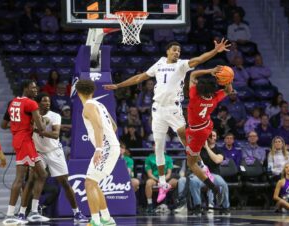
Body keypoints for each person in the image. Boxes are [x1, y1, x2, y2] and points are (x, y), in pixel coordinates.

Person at [104, 39, 230, 202]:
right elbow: (139, 78)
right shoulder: (159, 63)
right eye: (174, 50)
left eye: (179, 50)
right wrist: (119, 85)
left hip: (173, 108)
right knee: (159, 147)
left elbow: (199, 59)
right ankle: (163, 183)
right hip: (158, 110)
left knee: (186, 138)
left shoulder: (182, 65)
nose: (177, 52)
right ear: (167, 52)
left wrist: (215, 51)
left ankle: (203, 167)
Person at [30, 93, 87, 222]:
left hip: (54, 151)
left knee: (65, 183)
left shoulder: (55, 116)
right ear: (38, 103)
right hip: (38, 152)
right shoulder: (32, 116)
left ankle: (77, 213)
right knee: (38, 178)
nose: (48, 103)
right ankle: (33, 211)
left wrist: (39, 131)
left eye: (49, 101)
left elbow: (55, 134)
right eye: (44, 101)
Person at [2, 80, 48, 225]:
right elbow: (41, 128)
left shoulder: (13, 102)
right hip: (25, 142)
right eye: (32, 88)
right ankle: (10, 214)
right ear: (25, 88)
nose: (36, 90)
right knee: (21, 177)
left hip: (20, 139)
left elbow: (3, 124)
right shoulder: (31, 103)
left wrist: (19, 124)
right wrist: (43, 121)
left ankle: (33, 212)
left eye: (36, 88)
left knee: (41, 174)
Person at [185, 66, 233, 206]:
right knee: (182, 132)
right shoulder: (214, 98)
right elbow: (228, 90)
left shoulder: (194, 96)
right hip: (207, 125)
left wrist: (209, 70)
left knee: (191, 163)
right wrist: (228, 79)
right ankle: (198, 159)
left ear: (199, 89)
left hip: (197, 132)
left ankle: (213, 187)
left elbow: (193, 74)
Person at [76, 79, 120, 226]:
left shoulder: (88, 106)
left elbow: (99, 127)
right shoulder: (99, 104)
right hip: (111, 146)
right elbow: (113, 126)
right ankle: (106, 219)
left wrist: (99, 148)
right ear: (92, 91)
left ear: (78, 92)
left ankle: (95, 221)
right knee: (93, 183)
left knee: (89, 183)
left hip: (106, 148)